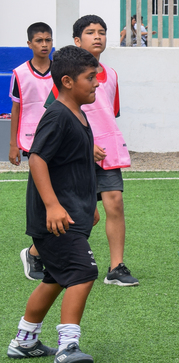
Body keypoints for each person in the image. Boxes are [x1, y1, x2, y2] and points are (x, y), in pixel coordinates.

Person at [6, 45, 100, 362]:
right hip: (56, 219)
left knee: (57, 278)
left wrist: (91, 205)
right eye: (90, 77)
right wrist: (52, 206)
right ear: (68, 81)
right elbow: (37, 159)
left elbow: (75, 166)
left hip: (74, 214)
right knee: (83, 271)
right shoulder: (57, 115)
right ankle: (68, 345)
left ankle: (24, 340)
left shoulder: (78, 115)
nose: (97, 82)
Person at [46, 14, 139, 286]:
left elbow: (111, 114)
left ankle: (116, 268)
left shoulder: (111, 75)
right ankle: (36, 252)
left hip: (108, 154)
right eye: (90, 32)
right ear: (77, 40)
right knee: (80, 214)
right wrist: (85, 144)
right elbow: (57, 113)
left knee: (115, 204)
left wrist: (104, 143)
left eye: (102, 32)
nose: (97, 36)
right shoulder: (64, 76)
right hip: (76, 155)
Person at [8, 22, 54, 281]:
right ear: (29, 44)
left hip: (59, 139)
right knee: (39, 194)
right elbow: (16, 108)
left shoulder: (60, 71)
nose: (44, 44)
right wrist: (13, 144)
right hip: (32, 141)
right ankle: (35, 251)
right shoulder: (19, 73)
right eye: (39, 40)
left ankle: (42, 249)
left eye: (48, 40)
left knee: (57, 190)